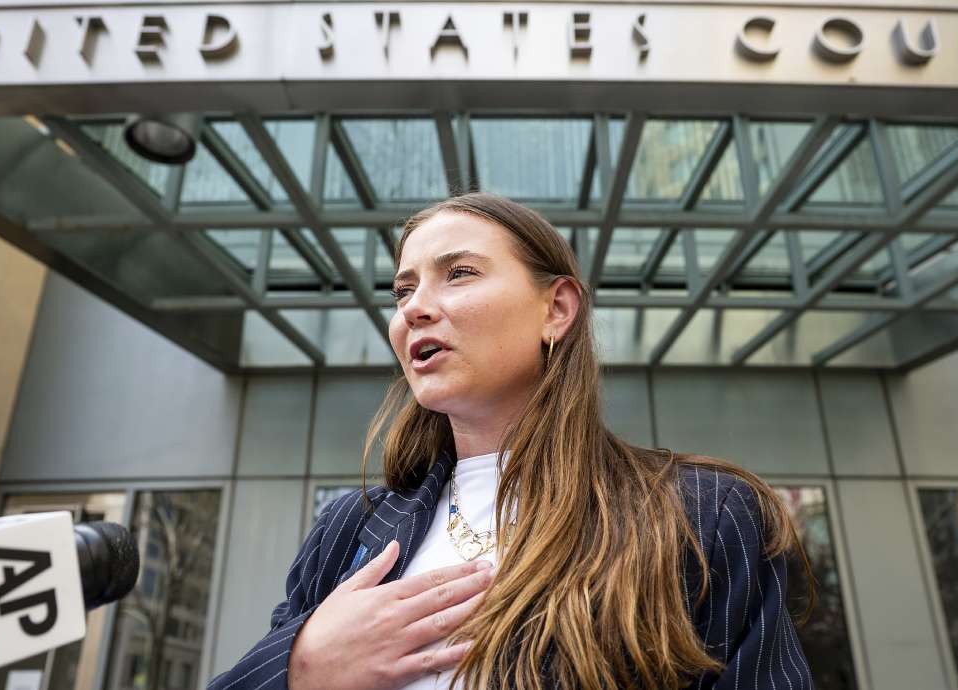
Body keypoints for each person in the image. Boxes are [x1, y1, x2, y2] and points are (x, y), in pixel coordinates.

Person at [217, 192, 816, 690]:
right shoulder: (347, 528)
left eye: (459, 274)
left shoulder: (700, 514)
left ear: (556, 308)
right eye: (402, 291)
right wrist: (301, 668)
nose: (415, 308)